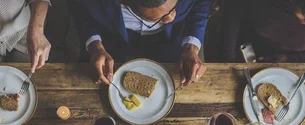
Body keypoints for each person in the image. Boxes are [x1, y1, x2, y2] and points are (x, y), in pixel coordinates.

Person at [68, 0, 212, 87]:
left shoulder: (172, 20)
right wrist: (95, 46)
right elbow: (82, 11)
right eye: (160, 18)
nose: (171, 18)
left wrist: (191, 47)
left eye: (173, 7)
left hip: (172, 41)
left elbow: (200, 4)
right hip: (112, 42)